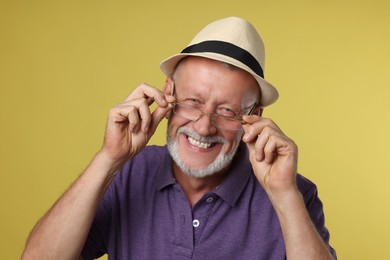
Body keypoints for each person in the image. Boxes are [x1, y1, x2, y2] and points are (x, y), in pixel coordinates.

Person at [22, 17, 337, 260]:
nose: (203, 127)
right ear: (169, 93)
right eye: (193, 102)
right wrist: (109, 159)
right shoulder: (128, 173)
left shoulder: (293, 193)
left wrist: (284, 195)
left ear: (254, 114)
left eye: (227, 111)